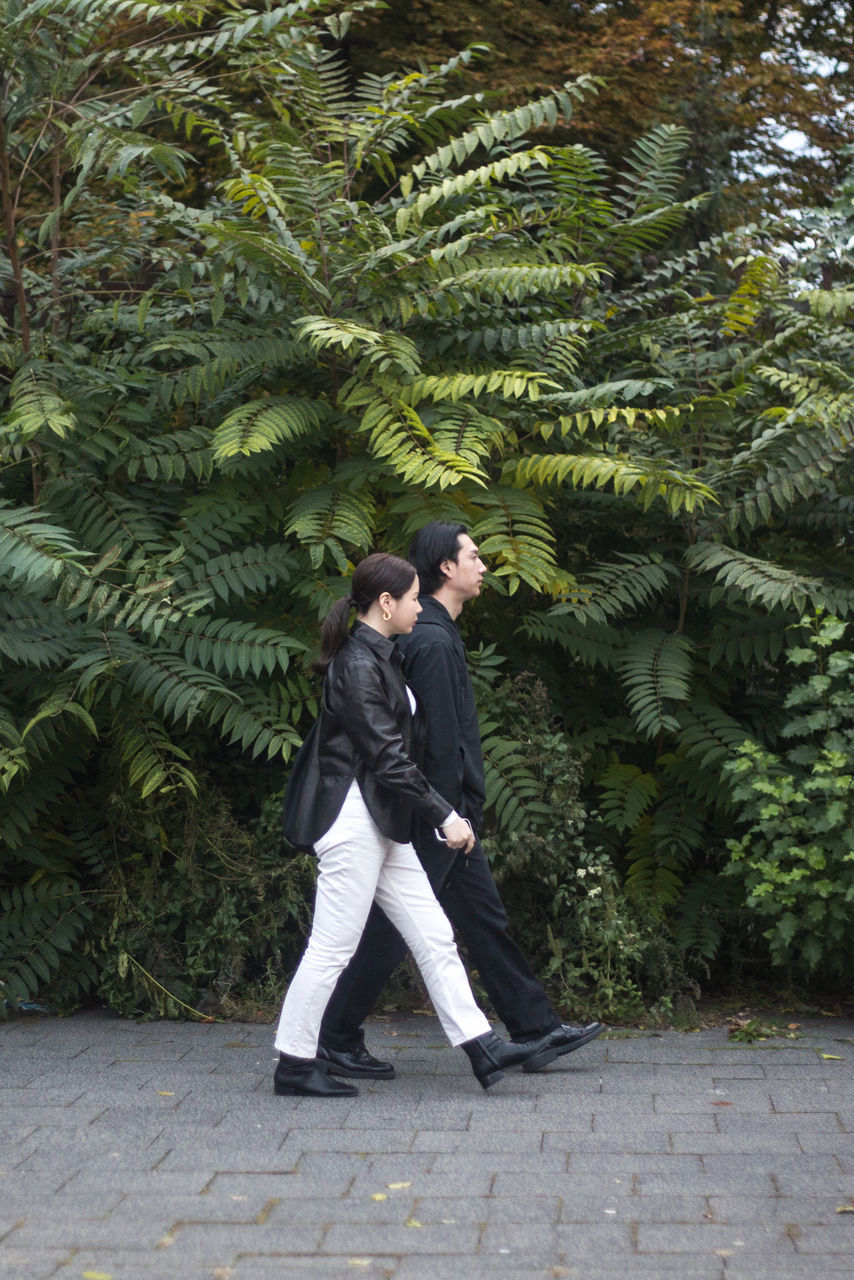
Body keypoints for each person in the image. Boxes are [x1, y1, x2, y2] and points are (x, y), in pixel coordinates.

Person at [317, 523, 604, 1080]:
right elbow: (432, 741)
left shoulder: (433, 633)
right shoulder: (429, 638)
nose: (483, 566)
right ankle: (333, 1035)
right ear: (446, 568)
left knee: (478, 919)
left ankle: (534, 1029)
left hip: (442, 810)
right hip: (435, 814)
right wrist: (449, 814)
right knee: (398, 928)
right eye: (474, 556)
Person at [272, 552, 550, 1097]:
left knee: (433, 934)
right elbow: (387, 757)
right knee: (332, 948)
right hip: (352, 819)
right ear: (385, 603)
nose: (419, 608)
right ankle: (295, 1063)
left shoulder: (382, 657)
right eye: (412, 597)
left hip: (381, 819)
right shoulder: (356, 664)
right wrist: (446, 815)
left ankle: (482, 1045)